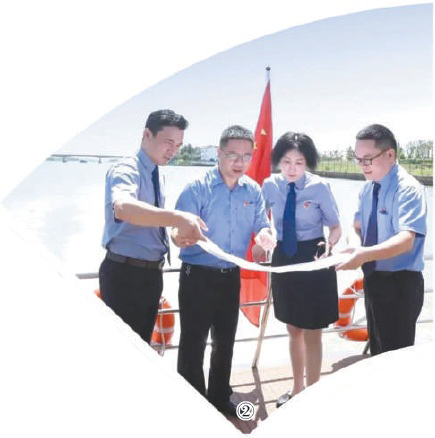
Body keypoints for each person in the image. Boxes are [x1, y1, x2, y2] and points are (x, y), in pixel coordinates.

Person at [171, 125, 276, 416]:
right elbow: (175, 230)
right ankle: (192, 404)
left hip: (231, 277)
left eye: (246, 156)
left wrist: (265, 236)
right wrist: (179, 237)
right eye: (232, 155)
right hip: (197, 276)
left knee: (225, 342)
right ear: (219, 153)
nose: (240, 162)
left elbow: (262, 225)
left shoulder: (252, 190)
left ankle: (219, 397)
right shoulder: (196, 188)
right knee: (193, 344)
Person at [99, 109, 206, 344]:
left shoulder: (158, 175)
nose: (173, 150)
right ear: (147, 134)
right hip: (125, 275)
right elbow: (123, 208)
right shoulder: (127, 169)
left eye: (178, 145)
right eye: (168, 142)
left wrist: (177, 235)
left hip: (151, 275)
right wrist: (178, 217)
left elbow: (152, 223)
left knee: (142, 346)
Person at [257, 132, 342, 408]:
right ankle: (296, 391)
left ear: (308, 162)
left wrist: (330, 245)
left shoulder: (320, 187)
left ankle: (312, 396)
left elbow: (335, 226)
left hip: (314, 256)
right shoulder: (270, 186)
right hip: (284, 256)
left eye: (299, 162)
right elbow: (261, 221)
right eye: (286, 162)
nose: (292, 169)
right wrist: (262, 238)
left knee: (313, 330)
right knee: (293, 328)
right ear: (278, 161)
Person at [336, 124, 426, 356]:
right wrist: (355, 246)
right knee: (377, 353)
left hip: (400, 284)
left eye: (368, 159)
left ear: (390, 154)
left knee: (395, 358)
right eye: (358, 159)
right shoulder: (367, 189)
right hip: (373, 279)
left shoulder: (408, 189)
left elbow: (406, 239)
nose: (362, 165)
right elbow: (357, 226)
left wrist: (363, 254)